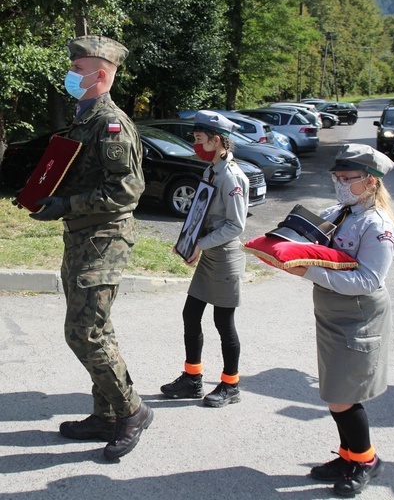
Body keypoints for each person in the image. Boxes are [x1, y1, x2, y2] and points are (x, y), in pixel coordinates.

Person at [29, 35, 153, 460]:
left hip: (103, 239)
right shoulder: (87, 118)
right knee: (99, 328)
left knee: (83, 331)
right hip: (83, 235)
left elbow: (127, 190)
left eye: (77, 69)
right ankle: (105, 414)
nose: (70, 75)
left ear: (100, 74)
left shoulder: (111, 122)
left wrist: (67, 203)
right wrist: (47, 192)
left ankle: (132, 411)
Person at [283, 144, 394, 496]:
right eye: (337, 177)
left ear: (370, 182)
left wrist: (308, 272)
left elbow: (368, 280)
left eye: (347, 179)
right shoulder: (342, 211)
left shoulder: (376, 225)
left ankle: (366, 460)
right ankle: (349, 454)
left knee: (343, 395)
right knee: (336, 391)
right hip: (334, 312)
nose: (339, 184)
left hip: (358, 316)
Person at [161, 110, 249, 407]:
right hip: (208, 250)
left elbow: (236, 225)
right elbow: (201, 212)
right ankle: (193, 379)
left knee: (223, 322)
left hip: (224, 256)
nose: (196, 144)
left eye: (200, 139)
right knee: (190, 314)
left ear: (217, 140)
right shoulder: (211, 170)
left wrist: (200, 244)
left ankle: (230, 384)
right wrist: (186, 242)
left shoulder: (232, 176)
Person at [176, 186, 210, 260]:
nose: (197, 216)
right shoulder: (182, 239)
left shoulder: (194, 244)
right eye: (197, 209)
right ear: (193, 208)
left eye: (201, 212)